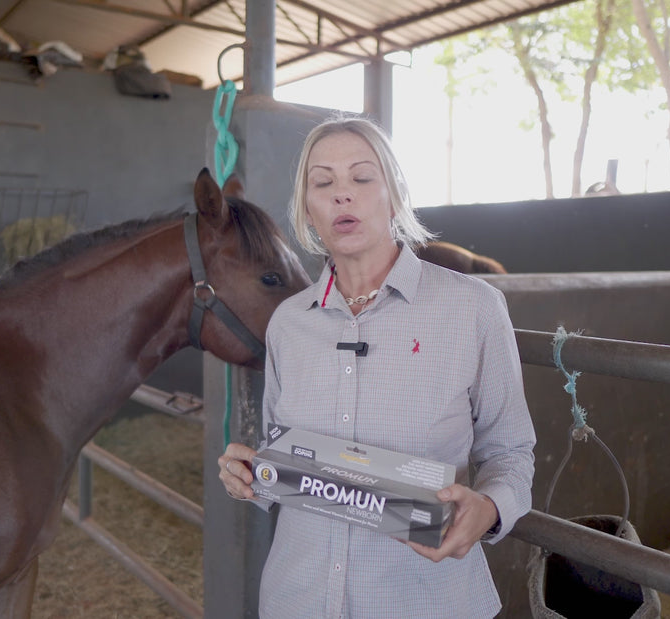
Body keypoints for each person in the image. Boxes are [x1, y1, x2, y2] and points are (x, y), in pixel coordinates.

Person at [218, 115, 536, 619]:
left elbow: (512, 450)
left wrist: (490, 508)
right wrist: (251, 475)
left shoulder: (472, 308)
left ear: (395, 192)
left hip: (423, 599)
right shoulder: (288, 324)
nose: (342, 195)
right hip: (296, 598)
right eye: (322, 182)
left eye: (362, 177)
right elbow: (288, 455)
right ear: (307, 206)